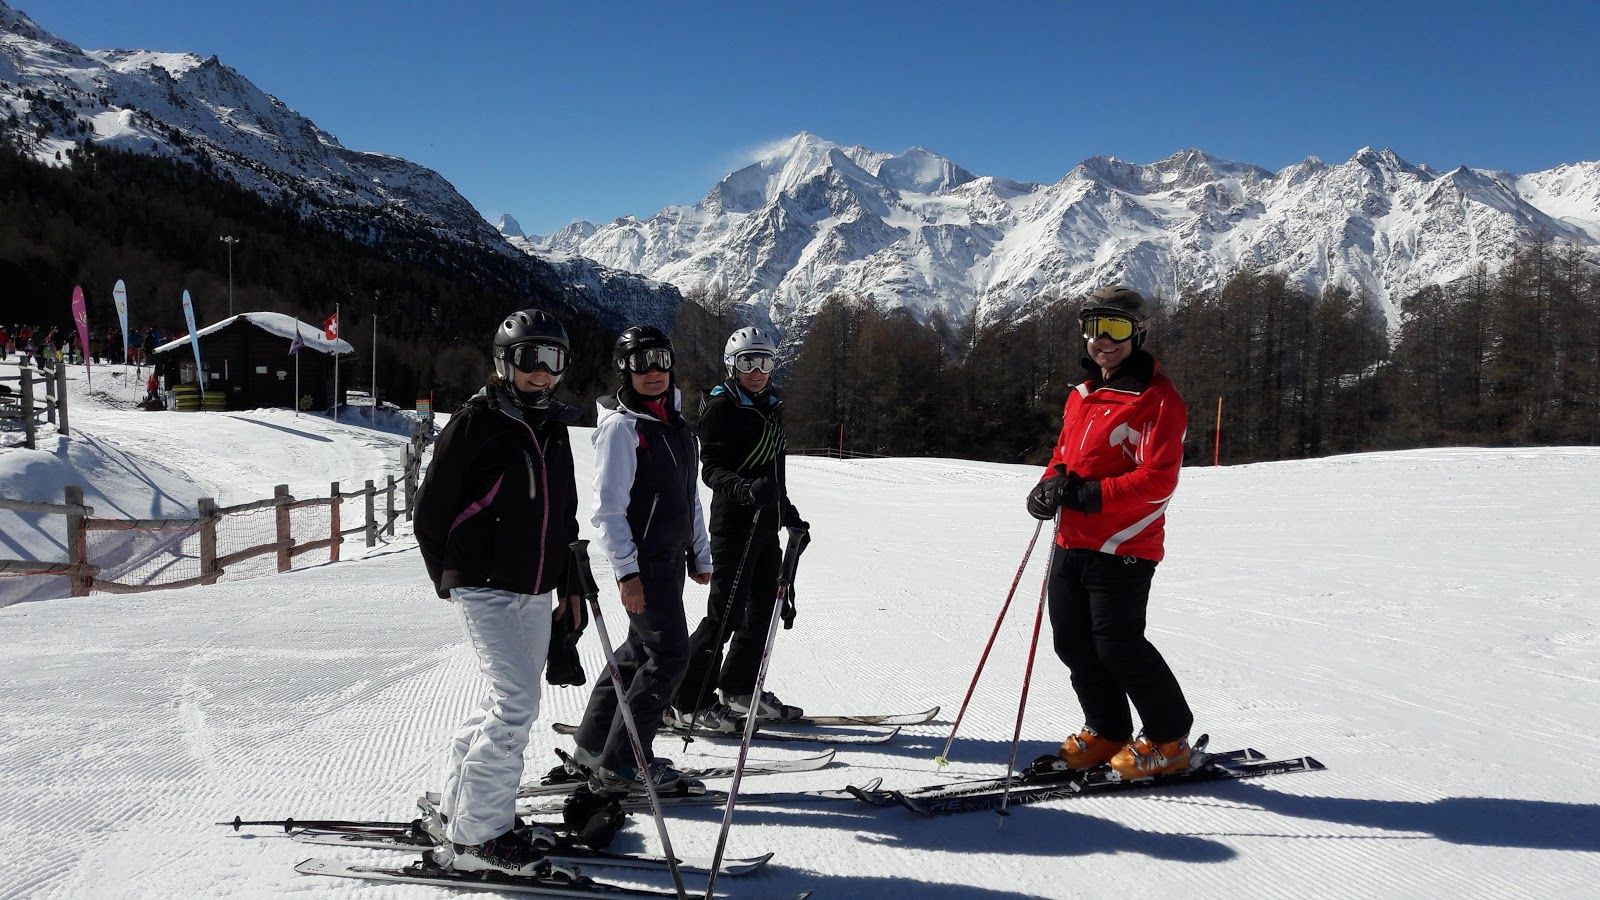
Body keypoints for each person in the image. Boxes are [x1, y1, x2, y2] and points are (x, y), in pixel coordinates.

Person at [412, 308, 584, 875]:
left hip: (534, 586)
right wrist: (449, 574)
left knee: (500, 703)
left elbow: (563, 510)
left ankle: (460, 810)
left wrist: (569, 579)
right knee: (516, 704)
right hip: (483, 583)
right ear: (505, 362)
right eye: (530, 360)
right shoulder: (475, 422)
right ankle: (480, 837)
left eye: (552, 360)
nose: (542, 373)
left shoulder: (553, 425)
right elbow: (431, 509)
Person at [1025, 285, 1195, 779]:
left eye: (1117, 328)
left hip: (1123, 544)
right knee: (1073, 643)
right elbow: (1064, 457)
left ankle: (1169, 739)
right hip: (1071, 541)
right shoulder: (1082, 395)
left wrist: (1092, 496)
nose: (1104, 340)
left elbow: (1158, 479)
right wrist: (1049, 485)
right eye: (1095, 327)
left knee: (1118, 646)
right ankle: (1107, 729)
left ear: (1138, 333)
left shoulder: (1158, 400)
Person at [569, 325, 713, 795]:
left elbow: (688, 497)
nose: (652, 372)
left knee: (636, 654)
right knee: (670, 655)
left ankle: (594, 747)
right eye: (640, 363)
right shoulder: (622, 428)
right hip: (644, 563)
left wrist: (699, 551)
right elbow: (607, 511)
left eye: (660, 361)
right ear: (625, 369)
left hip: (669, 560)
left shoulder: (675, 427)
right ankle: (625, 763)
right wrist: (626, 573)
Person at [670, 326, 808, 729]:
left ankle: (739, 688)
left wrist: (788, 512)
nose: (757, 370)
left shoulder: (768, 405)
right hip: (733, 526)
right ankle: (688, 699)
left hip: (765, 525)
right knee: (724, 615)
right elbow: (710, 470)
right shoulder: (721, 407)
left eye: (765, 362)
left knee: (762, 611)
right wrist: (746, 489)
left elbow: (773, 473)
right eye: (748, 362)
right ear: (733, 365)